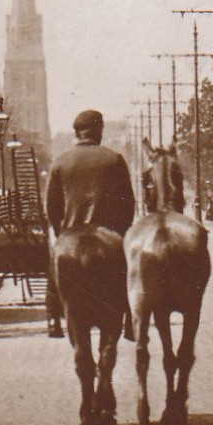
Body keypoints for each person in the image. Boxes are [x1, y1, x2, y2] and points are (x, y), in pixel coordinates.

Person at [45, 109, 136, 339]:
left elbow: (52, 207)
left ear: (77, 133)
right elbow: (128, 204)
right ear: (98, 131)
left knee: (55, 264)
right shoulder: (114, 159)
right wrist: (119, 233)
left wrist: (61, 234)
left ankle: (53, 316)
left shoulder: (60, 162)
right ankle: (129, 319)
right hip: (108, 233)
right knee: (126, 269)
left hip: (71, 233)